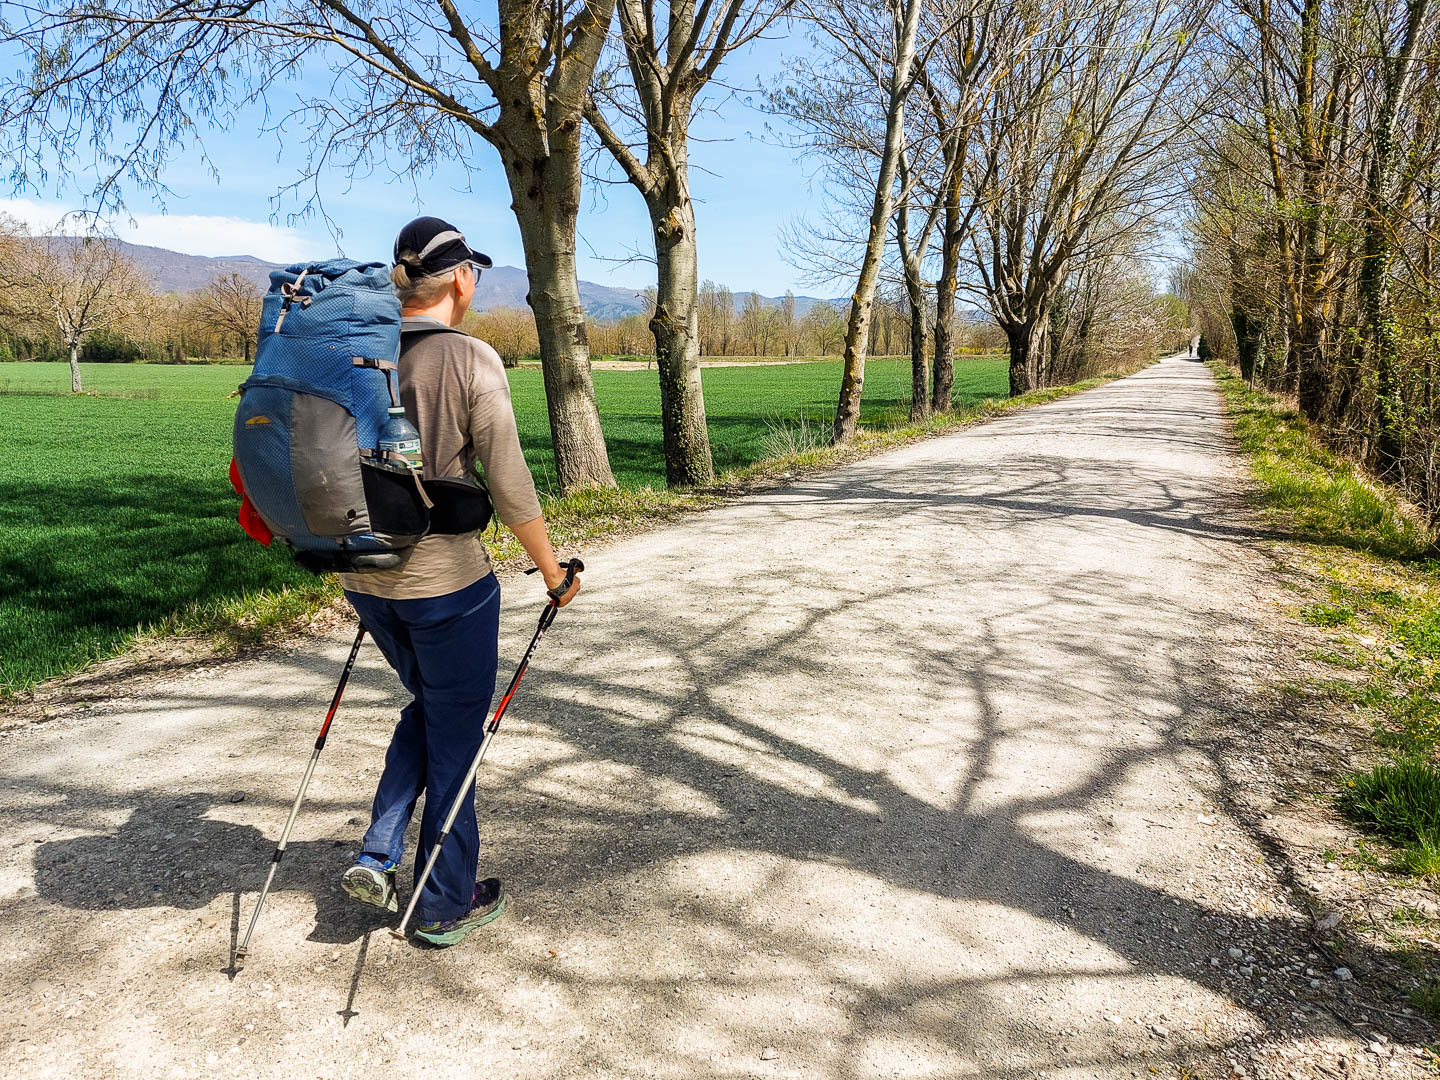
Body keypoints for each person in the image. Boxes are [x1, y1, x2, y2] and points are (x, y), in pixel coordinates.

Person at [337, 216, 580, 947]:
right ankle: (444, 901)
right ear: (463, 279)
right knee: (454, 735)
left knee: (434, 707)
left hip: (362, 577)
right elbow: (508, 483)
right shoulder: (470, 360)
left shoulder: (352, 355)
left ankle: (379, 849)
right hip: (448, 588)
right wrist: (552, 570)